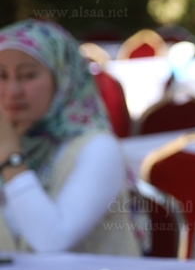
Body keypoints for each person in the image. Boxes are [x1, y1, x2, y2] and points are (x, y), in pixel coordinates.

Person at [0, 19, 139, 255]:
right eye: (2, 75)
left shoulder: (97, 147)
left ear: (62, 79)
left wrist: (10, 156)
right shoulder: (12, 137)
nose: (13, 91)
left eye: (27, 75)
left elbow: (51, 242)